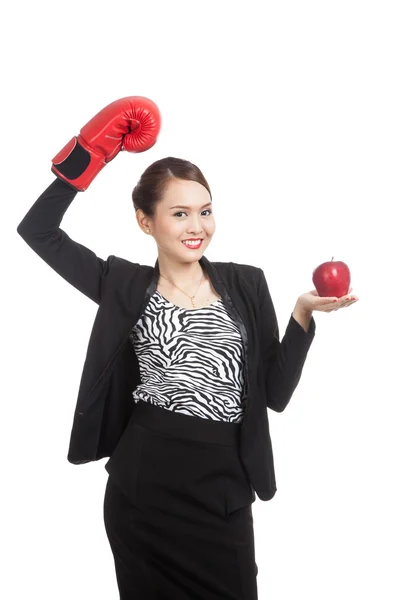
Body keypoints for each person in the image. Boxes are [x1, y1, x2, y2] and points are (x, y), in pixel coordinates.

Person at [16, 97, 358, 600]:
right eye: (179, 213)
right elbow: (38, 230)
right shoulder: (123, 284)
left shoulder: (247, 283)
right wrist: (91, 153)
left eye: (205, 210)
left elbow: (275, 394)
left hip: (222, 489)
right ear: (145, 221)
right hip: (142, 487)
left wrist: (303, 314)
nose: (197, 226)